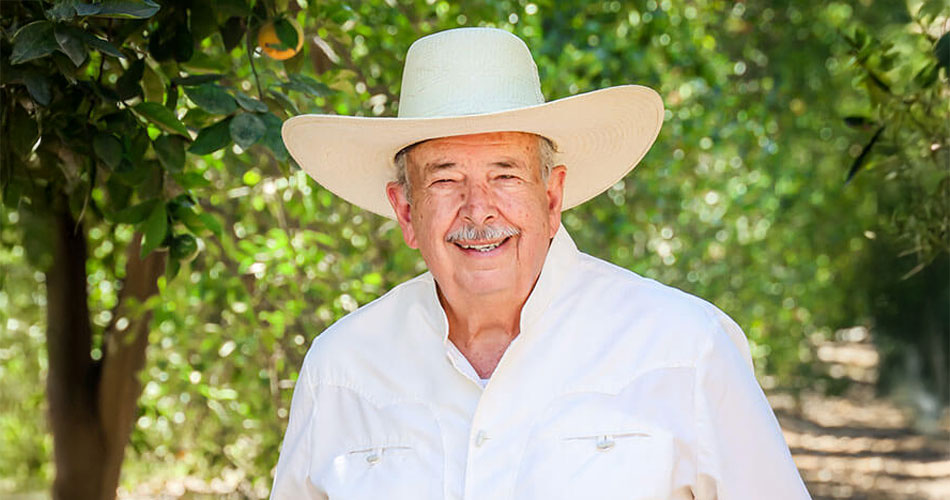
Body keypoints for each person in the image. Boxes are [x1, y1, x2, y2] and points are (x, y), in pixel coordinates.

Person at [271, 27, 811, 499]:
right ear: (406, 211)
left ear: (551, 198)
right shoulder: (341, 370)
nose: (478, 209)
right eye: (445, 179)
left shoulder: (684, 348)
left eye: (505, 174)